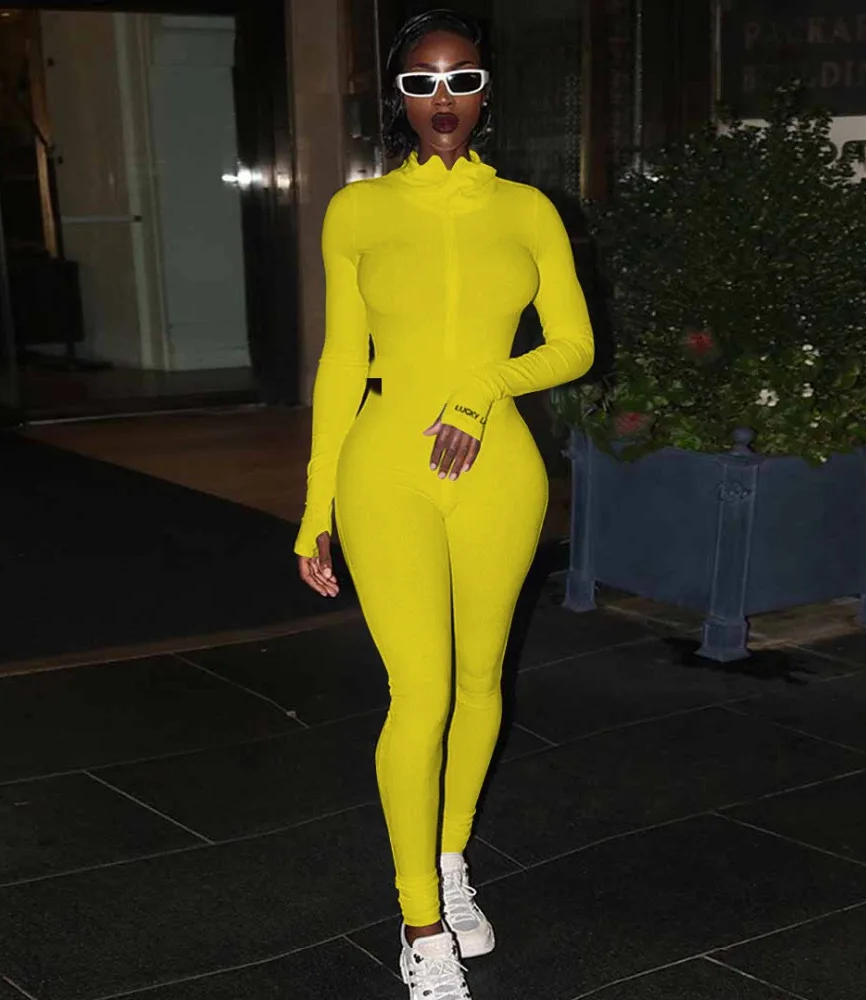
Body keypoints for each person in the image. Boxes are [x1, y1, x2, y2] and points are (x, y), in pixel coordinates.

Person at [295, 9, 594, 998]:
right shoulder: (358, 212)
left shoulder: (528, 210)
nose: (442, 100)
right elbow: (343, 363)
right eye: (420, 83)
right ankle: (420, 922)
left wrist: (481, 390)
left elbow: (575, 344)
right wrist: (315, 505)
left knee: (479, 681)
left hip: (500, 468)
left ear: (485, 92)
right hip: (386, 468)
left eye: (460, 79)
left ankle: (451, 857)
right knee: (419, 692)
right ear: (398, 98)